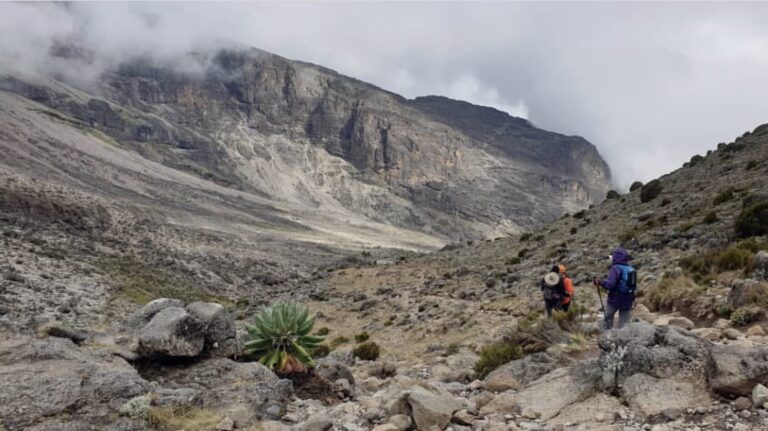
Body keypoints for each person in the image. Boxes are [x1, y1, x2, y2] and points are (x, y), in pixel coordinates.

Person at [594, 247, 637, 329]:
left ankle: (607, 335)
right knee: (625, 323)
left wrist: (600, 282)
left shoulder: (615, 268)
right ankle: (624, 336)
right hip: (628, 299)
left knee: (607, 319)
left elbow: (610, 284)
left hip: (615, 298)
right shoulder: (631, 268)